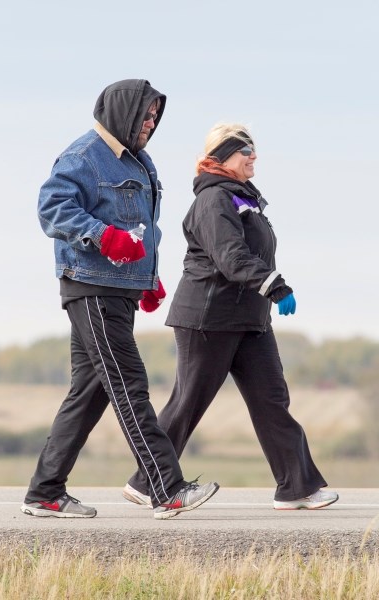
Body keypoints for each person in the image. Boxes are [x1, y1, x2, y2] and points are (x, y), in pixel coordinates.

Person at [20, 79, 219, 521]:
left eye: (155, 117)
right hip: (91, 287)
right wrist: (103, 236)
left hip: (117, 290)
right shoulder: (82, 156)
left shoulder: (139, 161)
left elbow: (143, 227)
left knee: (88, 394)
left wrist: (145, 279)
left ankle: (45, 492)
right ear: (122, 111)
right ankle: (166, 489)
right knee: (130, 385)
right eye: (145, 115)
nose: (150, 124)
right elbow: (52, 207)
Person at [123, 122, 338, 512]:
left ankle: (297, 487)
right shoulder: (213, 199)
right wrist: (275, 285)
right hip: (209, 319)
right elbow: (230, 255)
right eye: (245, 151)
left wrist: (265, 293)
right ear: (222, 158)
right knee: (189, 401)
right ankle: (148, 481)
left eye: (253, 149)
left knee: (272, 399)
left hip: (248, 319)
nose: (253, 156)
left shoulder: (244, 198)